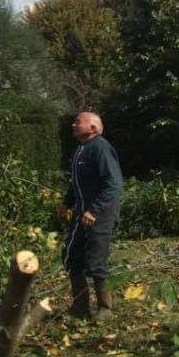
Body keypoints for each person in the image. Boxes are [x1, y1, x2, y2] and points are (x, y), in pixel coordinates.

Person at [59, 111, 123, 321]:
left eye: (78, 122)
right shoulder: (81, 150)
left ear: (93, 128)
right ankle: (80, 306)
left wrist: (94, 210)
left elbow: (113, 184)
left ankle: (106, 308)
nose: (73, 125)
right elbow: (76, 182)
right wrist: (66, 203)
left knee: (96, 259)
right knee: (72, 256)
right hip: (82, 212)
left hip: (100, 214)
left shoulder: (100, 148)